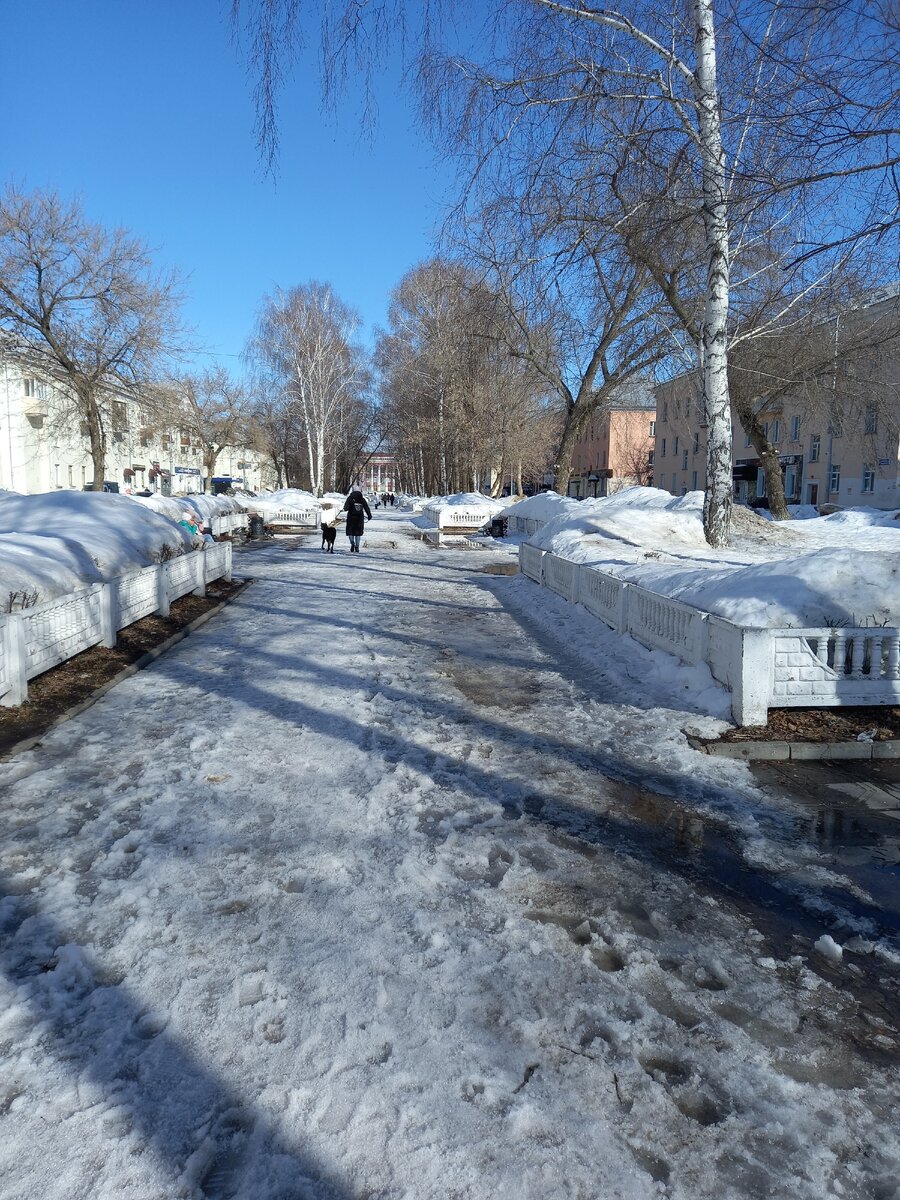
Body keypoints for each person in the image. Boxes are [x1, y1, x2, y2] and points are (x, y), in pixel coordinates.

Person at [343, 487, 372, 553]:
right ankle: (357, 546)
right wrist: (369, 515)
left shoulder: (350, 499)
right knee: (358, 533)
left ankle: (352, 543)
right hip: (359, 518)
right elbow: (366, 508)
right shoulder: (362, 499)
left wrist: (348, 507)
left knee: (350, 532)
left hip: (351, 518)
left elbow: (346, 508)